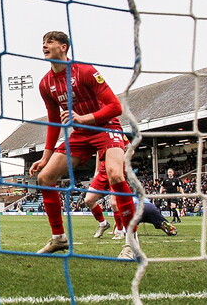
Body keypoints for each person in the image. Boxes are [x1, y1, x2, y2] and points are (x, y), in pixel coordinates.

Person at [28, 31, 137, 259]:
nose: (44, 46)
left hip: (106, 128)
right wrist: (46, 157)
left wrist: (83, 118)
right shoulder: (45, 84)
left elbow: (115, 107)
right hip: (80, 134)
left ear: (64, 47)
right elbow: (54, 121)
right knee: (45, 178)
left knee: (116, 176)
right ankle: (59, 238)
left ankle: (131, 242)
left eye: (50, 42)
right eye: (43, 43)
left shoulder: (85, 71)